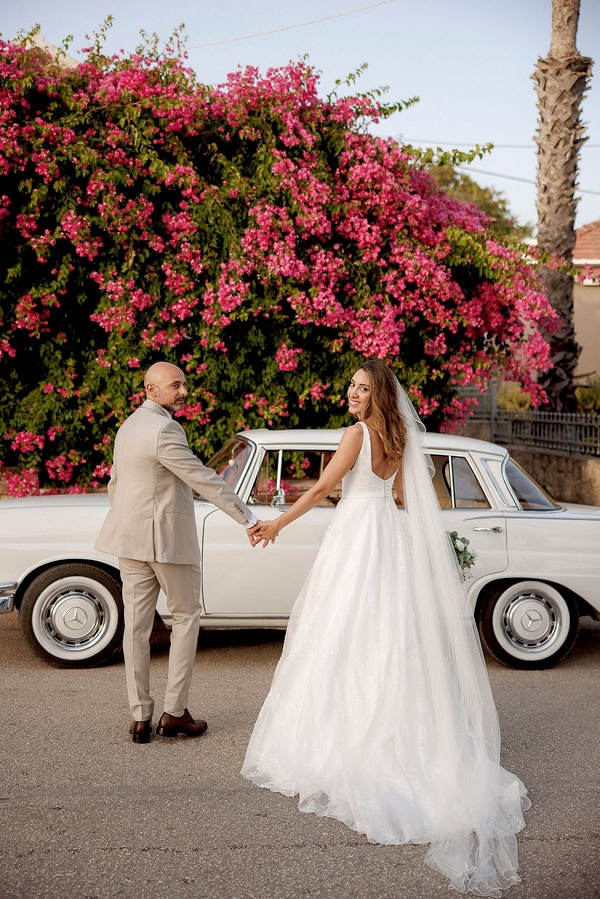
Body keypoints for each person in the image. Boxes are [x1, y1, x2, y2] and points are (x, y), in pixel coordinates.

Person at [243, 360, 530, 896]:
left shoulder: (356, 433)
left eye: (361, 387)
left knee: (340, 632)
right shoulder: (397, 438)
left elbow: (325, 486)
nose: (351, 393)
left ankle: (348, 735)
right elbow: (400, 498)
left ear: (377, 395)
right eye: (350, 385)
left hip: (355, 538)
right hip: (384, 538)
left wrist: (276, 523)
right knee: (388, 636)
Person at [95, 361, 264, 744]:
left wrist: (126, 521)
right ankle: (174, 713)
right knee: (186, 617)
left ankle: (139, 718)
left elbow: (115, 482)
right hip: (167, 541)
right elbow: (201, 477)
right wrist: (247, 516)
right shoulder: (164, 428)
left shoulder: (128, 426)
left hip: (129, 539)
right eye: (176, 385)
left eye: (184, 384)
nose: (183, 391)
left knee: (136, 628)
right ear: (152, 391)